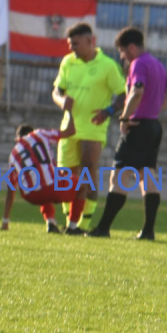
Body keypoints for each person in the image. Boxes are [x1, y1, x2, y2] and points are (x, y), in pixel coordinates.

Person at [87, 27, 167, 241]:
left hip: (138, 126)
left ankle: (103, 228)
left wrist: (125, 118)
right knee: (147, 177)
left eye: (121, 51)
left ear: (131, 47)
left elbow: (136, 92)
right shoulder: (156, 64)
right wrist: (153, 110)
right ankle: (148, 231)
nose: (121, 57)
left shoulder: (138, 64)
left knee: (119, 175)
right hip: (153, 126)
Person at [51, 22, 127, 231]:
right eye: (70, 44)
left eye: (75, 44)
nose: (71, 48)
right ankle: (70, 222)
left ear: (89, 41)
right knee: (65, 177)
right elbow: (57, 91)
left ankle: (82, 225)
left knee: (87, 173)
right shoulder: (68, 62)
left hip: (93, 129)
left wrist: (108, 112)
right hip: (69, 128)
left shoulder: (108, 65)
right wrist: (61, 101)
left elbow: (124, 94)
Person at [1, 98, 87, 234]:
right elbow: (70, 131)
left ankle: (51, 222)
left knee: (38, 180)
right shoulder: (39, 134)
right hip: (52, 188)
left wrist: (5, 222)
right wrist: (69, 110)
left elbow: (10, 192)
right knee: (83, 185)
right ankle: (72, 227)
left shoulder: (13, 154)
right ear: (31, 132)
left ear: (17, 139)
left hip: (31, 195)